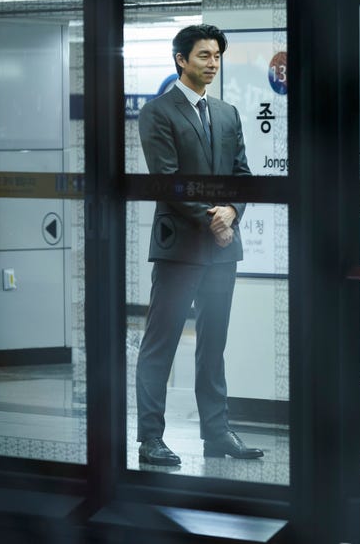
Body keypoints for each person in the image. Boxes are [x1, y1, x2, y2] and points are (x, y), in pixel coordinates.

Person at [136, 24, 263, 465]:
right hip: (180, 247)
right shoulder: (159, 112)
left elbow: (242, 176)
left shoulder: (227, 113)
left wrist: (233, 212)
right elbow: (168, 180)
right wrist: (215, 219)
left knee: (214, 344)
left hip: (222, 248)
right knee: (162, 342)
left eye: (216, 56)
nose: (212, 64)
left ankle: (217, 433)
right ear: (181, 60)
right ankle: (150, 438)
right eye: (204, 56)